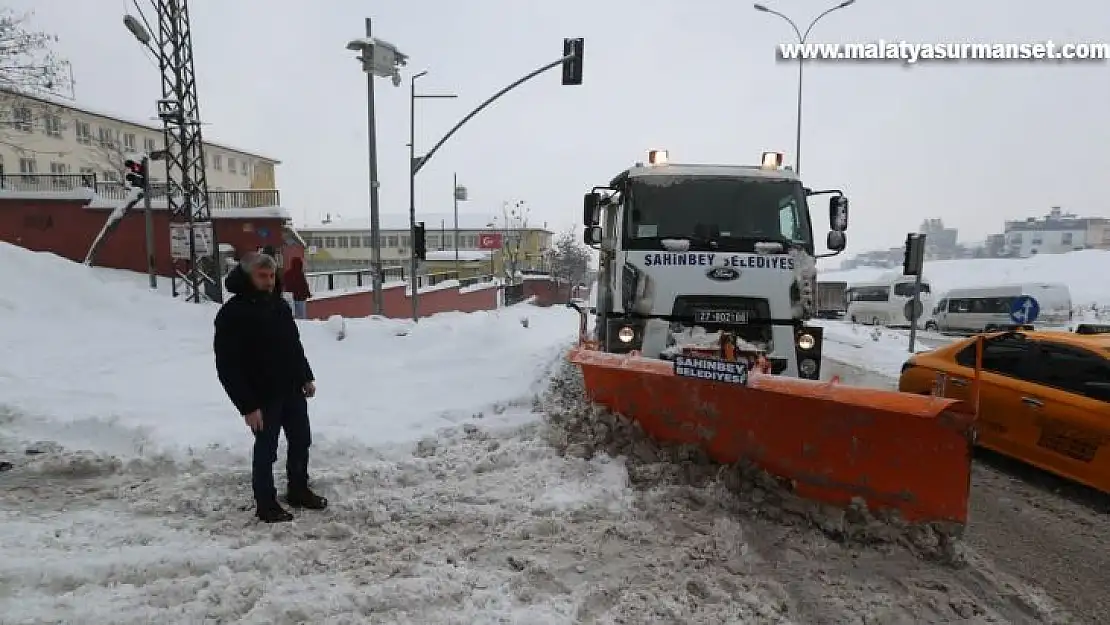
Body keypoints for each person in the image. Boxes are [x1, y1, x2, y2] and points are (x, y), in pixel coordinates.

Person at [213, 251, 327, 522]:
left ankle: (298, 489)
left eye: (271, 276)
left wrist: (305, 376)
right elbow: (227, 366)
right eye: (261, 276)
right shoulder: (233, 314)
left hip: (291, 389)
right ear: (247, 277)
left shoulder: (279, 306)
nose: (268, 281)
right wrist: (248, 406)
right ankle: (266, 503)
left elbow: (293, 346)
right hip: (262, 397)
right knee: (267, 450)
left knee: (301, 441)